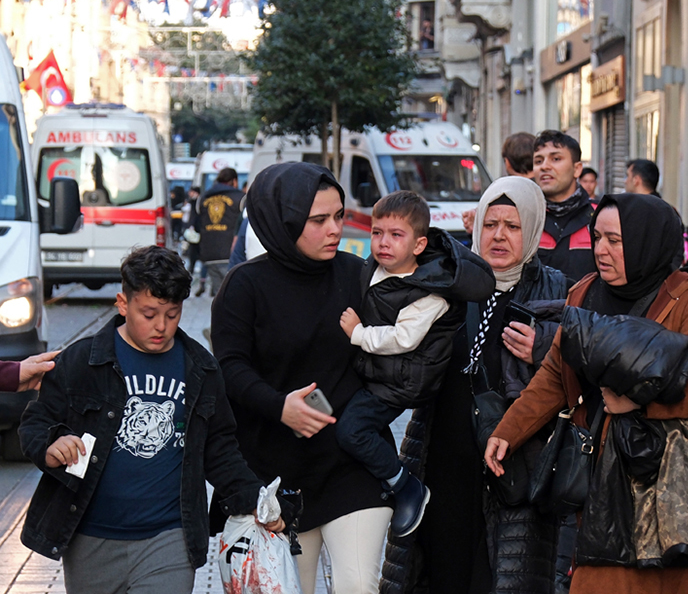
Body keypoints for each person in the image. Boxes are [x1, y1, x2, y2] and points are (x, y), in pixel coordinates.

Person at [485, 193, 688, 594]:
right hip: (601, 476)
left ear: (645, 240)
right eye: (597, 238)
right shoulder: (583, 293)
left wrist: (641, 400)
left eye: (615, 241)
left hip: (669, 481)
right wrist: (507, 432)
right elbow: (553, 374)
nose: (601, 250)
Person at [19, 246, 283, 594]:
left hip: (170, 539)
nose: (161, 326)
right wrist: (51, 444)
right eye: (149, 313)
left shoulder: (201, 369)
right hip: (90, 538)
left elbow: (220, 449)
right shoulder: (82, 361)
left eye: (173, 315)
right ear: (122, 303)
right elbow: (36, 422)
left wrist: (255, 500)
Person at [383, 176, 571, 594]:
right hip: (443, 454)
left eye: (513, 225)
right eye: (490, 224)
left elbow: (577, 365)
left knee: (502, 577)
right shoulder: (448, 283)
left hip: (515, 463)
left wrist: (543, 347)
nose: (499, 235)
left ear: (534, 229)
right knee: (440, 568)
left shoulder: (556, 288)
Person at [211, 163, 390, 594]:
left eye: (339, 216)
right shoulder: (244, 285)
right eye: (318, 220)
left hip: (354, 464)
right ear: (282, 220)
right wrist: (281, 408)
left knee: (360, 585)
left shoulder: (358, 274)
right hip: (276, 478)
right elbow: (230, 370)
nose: (334, 229)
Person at [334, 190, 492, 538]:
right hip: (375, 372)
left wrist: (358, 334)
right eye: (377, 233)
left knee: (352, 431)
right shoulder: (376, 268)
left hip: (399, 383)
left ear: (419, 245)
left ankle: (405, 485)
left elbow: (403, 338)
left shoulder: (429, 292)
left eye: (396, 235)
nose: (383, 243)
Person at [534, 130, 596, 282]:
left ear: (577, 169)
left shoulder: (599, 216)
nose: (544, 166)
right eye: (538, 161)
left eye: (555, 158)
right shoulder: (525, 218)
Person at [194, 168, 245, 297]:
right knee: (235, 296)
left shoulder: (203, 198)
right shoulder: (240, 198)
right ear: (234, 181)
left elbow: (197, 224)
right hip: (230, 253)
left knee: (220, 295)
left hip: (209, 253)